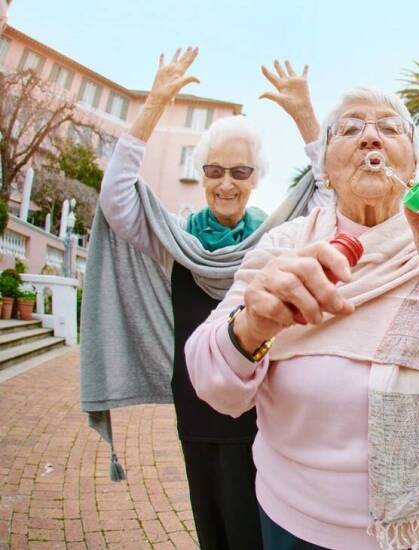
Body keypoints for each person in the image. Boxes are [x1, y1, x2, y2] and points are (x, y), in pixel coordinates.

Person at [184, 87, 419, 550]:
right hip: (294, 524)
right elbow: (212, 385)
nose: (370, 138)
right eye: (349, 128)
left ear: (412, 167)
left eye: (388, 128)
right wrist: (253, 326)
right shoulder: (285, 249)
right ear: (324, 168)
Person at [94, 48, 321, 549]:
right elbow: (115, 200)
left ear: (255, 179)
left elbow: (327, 196)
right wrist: (155, 103)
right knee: (212, 529)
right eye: (215, 171)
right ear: (202, 175)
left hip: (261, 407)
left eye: (240, 173)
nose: (226, 184)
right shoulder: (176, 239)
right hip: (195, 404)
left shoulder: (274, 236)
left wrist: (306, 119)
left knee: (254, 531)